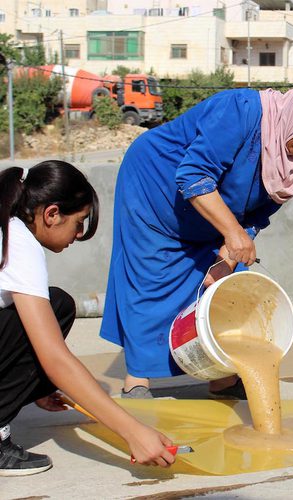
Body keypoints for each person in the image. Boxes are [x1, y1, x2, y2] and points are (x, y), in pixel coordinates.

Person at [100, 80, 293, 399]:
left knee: (227, 286)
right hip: (155, 188)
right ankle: (137, 380)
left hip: (213, 212)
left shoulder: (290, 165)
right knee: (151, 278)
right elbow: (193, 175)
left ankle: (222, 378)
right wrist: (232, 233)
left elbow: (258, 215)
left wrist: (227, 256)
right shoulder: (240, 111)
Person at [0, 161, 175, 476]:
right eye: (78, 222)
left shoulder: (7, 228)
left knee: (58, 305)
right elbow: (54, 357)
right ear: (52, 214)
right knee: (53, 312)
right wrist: (133, 431)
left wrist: (35, 386)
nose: (78, 234)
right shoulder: (19, 244)